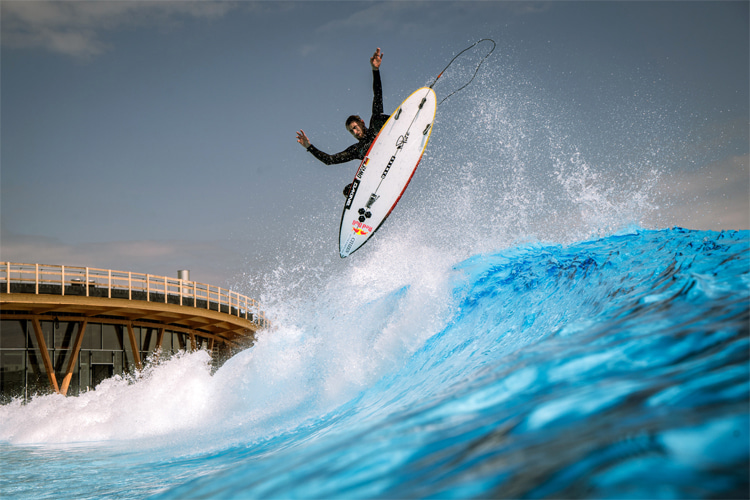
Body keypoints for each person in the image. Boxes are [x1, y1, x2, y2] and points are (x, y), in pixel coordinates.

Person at [296, 48, 389, 196]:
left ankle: (403, 123)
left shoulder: (373, 128)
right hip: (379, 173)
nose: (354, 133)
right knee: (348, 190)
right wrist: (309, 147)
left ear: (361, 122)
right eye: (351, 131)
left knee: (378, 116)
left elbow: (377, 95)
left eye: (355, 128)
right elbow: (330, 160)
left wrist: (375, 70)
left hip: (393, 145)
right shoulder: (357, 149)